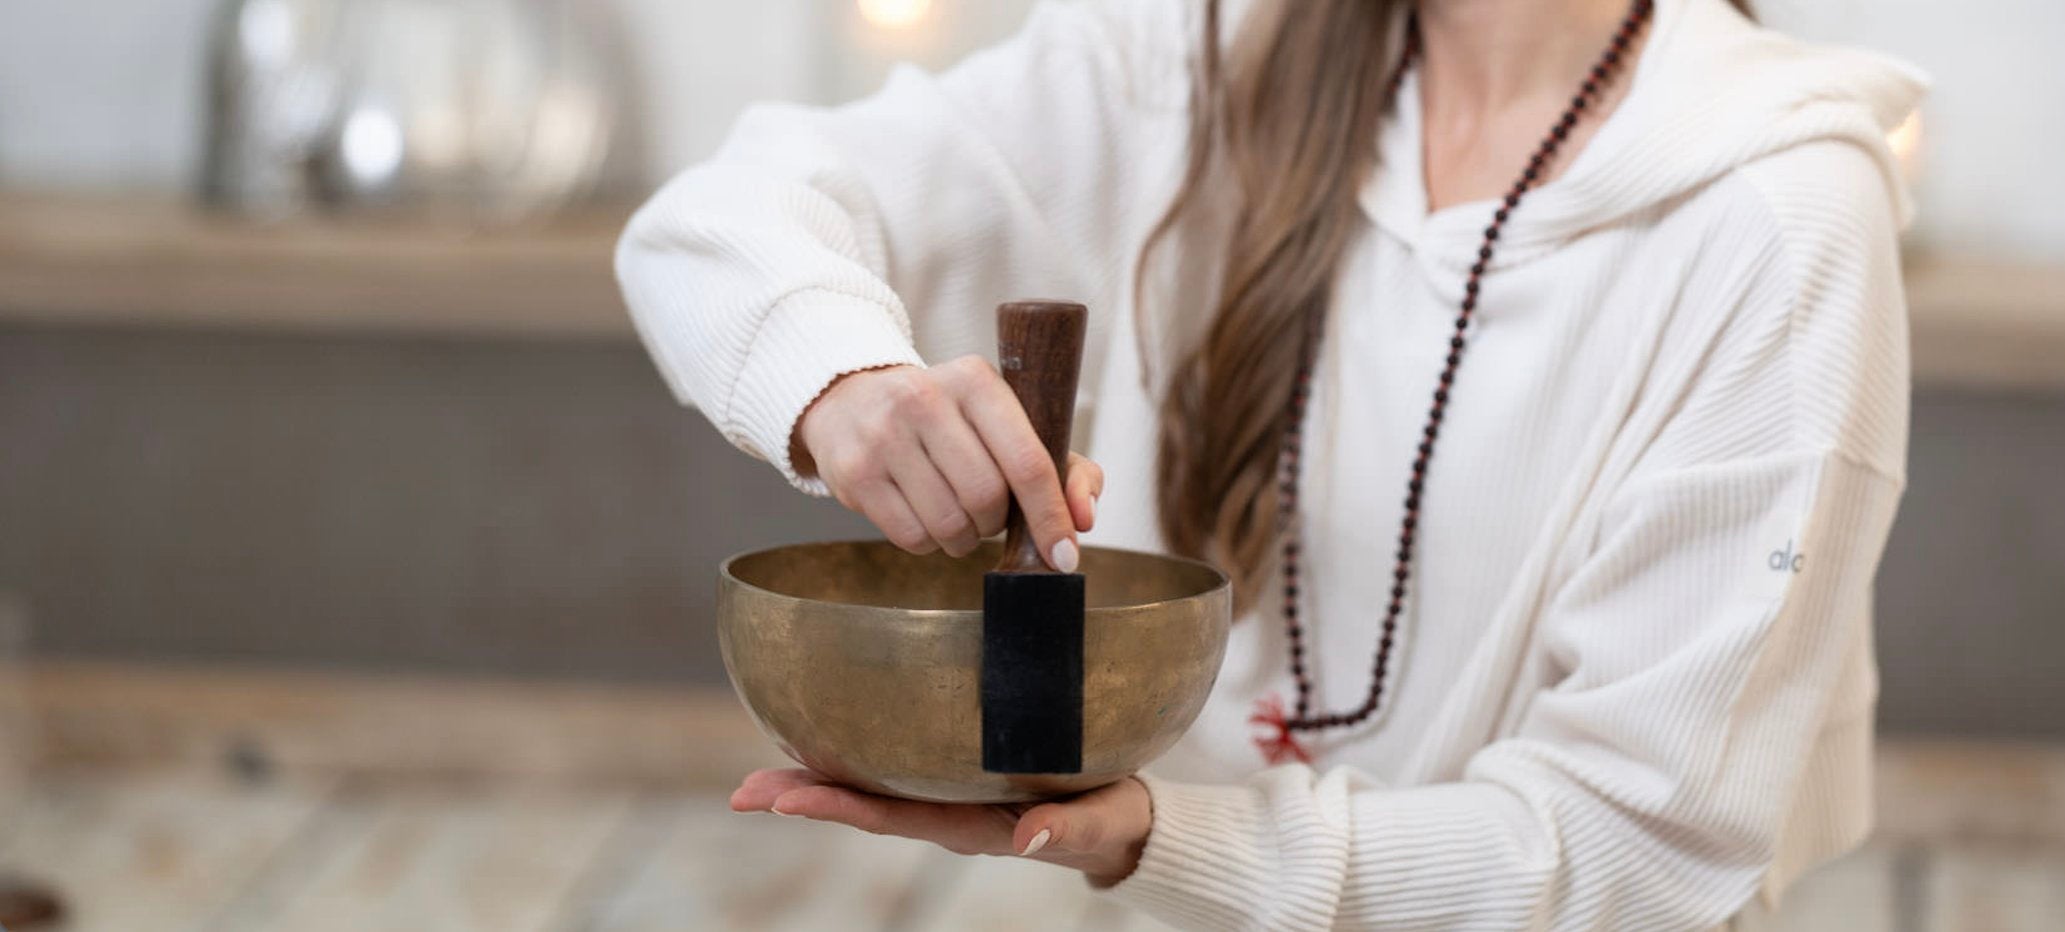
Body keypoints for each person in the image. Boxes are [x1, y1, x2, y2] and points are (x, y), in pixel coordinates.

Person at [618, 0, 1923, 926]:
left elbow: (1635, 855)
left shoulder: (1773, 217)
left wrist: (1174, 840)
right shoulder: (1183, 53)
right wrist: (841, 383)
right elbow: (713, 223)